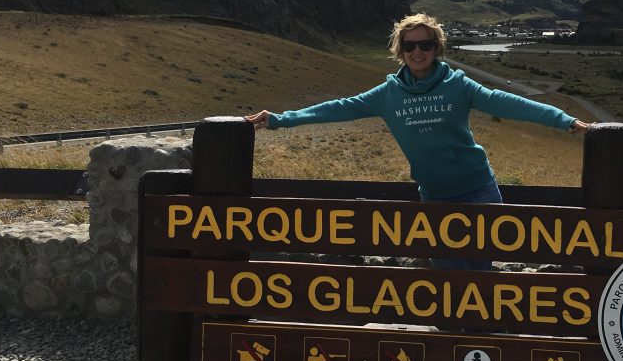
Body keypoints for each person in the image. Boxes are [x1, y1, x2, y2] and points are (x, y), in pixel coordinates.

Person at [245, 13, 590, 270]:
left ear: (436, 47)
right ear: (401, 50)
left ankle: (482, 349)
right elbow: (338, 109)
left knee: (482, 274)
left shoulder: (459, 85)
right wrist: (279, 119)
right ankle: (455, 344)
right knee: (449, 275)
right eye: (410, 46)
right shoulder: (388, 94)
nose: (418, 52)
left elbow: (509, 103)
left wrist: (566, 121)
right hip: (435, 198)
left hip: (478, 191)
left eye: (425, 44)